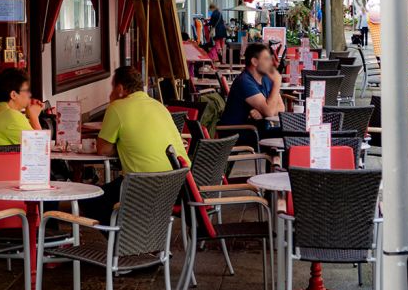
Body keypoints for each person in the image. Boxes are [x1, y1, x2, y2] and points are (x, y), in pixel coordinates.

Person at [82, 66, 191, 223]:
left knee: (91, 199)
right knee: (111, 191)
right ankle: (134, 236)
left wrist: (114, 103)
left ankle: (121, 241)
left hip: (142, 186)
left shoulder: (117, 107)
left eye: (112, 88)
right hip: (177, 185)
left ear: (120, 88)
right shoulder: (159, 106)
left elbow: (103, 150)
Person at [218, 44, 285, 146]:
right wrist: (277, 83)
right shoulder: (244, 81)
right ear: (254, 61)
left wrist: (262, 113)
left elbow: (281, 108)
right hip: (236, 133)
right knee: (286, 137)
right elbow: (270, 112)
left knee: (288, 133)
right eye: (266, 59)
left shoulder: (266, 78)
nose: (271, 63)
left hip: (255, 129)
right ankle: (276, 160)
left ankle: (276, 161)